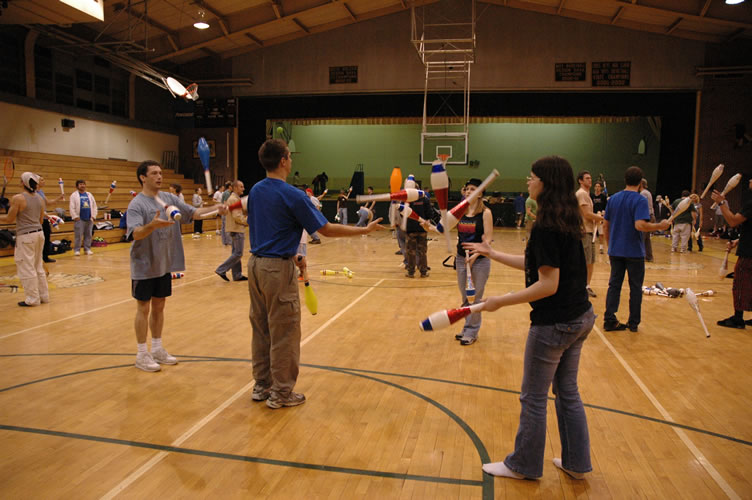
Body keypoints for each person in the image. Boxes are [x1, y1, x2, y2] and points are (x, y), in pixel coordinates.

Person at [463, 156, 595, 481]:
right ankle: (577, 463)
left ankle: (523, 464)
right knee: (568, 391)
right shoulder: (566, 218)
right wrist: (493, 253)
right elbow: (536, 263)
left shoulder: (547, 225)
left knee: (533, 397)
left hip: (555, 324)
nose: (528, 181)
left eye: (532, 177)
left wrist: (499, 301)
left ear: (545, 183)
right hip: (580, 317)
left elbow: (548, 284)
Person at [248, 139, 383, 409]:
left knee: (261, 329)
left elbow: (267, 227)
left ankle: (262, 385)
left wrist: (290, 253)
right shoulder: (293, 195)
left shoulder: (255, 190)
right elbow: (326, 230)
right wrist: (364, 230)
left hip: (255, 266)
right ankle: (281, 393)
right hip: (276, 270)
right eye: (289, 156)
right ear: (283, 161)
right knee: (285, 331)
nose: (291, 160)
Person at [127, 160, 226, 372]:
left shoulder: (169, 198)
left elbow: (194, 213)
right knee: (143, 308)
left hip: (164, 264)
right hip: (144, 265)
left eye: (160, 173)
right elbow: (135, 233)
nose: (159, 176)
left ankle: (157, 348)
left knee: (159, 306)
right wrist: (151, 226)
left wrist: (216, 209)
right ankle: (141, 354)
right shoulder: (137, 204)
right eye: (154, 173)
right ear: (143, 177)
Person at [603, 166, 671, 332]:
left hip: (616, 251)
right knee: (635, 288)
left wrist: (610, 245)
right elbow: (640, 225)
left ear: (625, 179)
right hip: (634, 251)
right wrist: (659, 226)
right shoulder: (640, 200)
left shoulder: (613, 199)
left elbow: (605, 225)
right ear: (641, 182)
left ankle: (609, 319)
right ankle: (633, 323)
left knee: (614, 285)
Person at [0, 172, 49, 307]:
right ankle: (44, 296)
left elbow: (9, 219)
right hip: (39, 234)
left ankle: (32, 299)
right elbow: (40, 220)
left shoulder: (18, 198)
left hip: (26, 236)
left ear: (23, 182)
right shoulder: (40, 198)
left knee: (27, 267)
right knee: (38, 266)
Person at [454, 178, 493, 345]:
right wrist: (430, 227)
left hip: (479, 260)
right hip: (461, 259)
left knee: (476, 298)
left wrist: (475, 255)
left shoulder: (486, 213)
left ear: (480, 193)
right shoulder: (460, 211)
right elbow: (446, 227)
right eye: (467, 188)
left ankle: (472, 331)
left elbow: (488, 240)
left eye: (472, 189)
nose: (468, 191)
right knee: (465, 297)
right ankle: (467, 327)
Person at [711, 178, 752, 329]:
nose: (750, 180)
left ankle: (738, 318)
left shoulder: (751, 204)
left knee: (741, 283)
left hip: (749, 254)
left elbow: (733, 221)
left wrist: (721, 203)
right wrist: (738, 241)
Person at [576, 171, 603, 297]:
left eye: (590, 178)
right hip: (584, 231)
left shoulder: (587, 194)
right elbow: (586, 214)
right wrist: (602, 217)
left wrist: (598, 218)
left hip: (590, 231)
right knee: (585, 261)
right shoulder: (581, 194)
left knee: (590, 261)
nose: (590, 180)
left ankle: (586, 286)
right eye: (587, 178)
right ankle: (580, 287)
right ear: (580, 181)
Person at [215, 180, 248, 282]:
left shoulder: (235, 198)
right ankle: (221, 269)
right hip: (236, 228)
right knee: (238, 253)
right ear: (235, 188)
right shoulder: (234, 199)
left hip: (235, 228)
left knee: (235, 252)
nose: (243, 189)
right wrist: (248, 221)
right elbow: (237, 216)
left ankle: (237, 275)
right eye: (241, 187)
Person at [405, 182, 431, 278]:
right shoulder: (425, 199)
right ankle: (423, 272)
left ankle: (411, 272)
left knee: (411, 251)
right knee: (422, 251)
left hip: (410, 229)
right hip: (422, 228)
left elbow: (402, 213)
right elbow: (430, 213)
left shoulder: (407, 200)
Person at [36, 176, 64, 263]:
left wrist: (59, 198)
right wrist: (47, 215)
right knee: (38, 240)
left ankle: (45, 257)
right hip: (37, 219)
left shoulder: (41, 191)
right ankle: (37, 258)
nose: (44, 181)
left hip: (44, 218)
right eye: (42, 180)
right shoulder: (33, 193)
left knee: (46, 237)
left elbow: (47, 203)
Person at [69, 179, 97, 256]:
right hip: (79, 219)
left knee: (88, 235)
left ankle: (87, 249)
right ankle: (77, 250)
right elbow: (72, 207)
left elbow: (94, 206)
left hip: (89, 218)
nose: (82, 185)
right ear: (77, 186)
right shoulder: (74, 195)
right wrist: (75, 216)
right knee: (78, 235)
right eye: (81, 184)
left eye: (83, 184)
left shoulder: (89, 195)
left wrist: (94, 216)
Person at [639, 178, 655, 261]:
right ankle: (649, 257)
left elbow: (642, 205)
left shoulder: (643, 193)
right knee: (647, 238)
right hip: (650, 216)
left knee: (641, 237)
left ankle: (640, 256)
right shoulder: (647, 192)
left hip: (646, 217)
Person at [591, 181, 608, 253]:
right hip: (592, 216)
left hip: (600, 216)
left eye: (599, 186)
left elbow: (606, 207)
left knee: (601, 233)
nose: (597, 188)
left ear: (601, 188)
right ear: (594, 187)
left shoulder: (603, 197)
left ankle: (601, 248)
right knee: (592, 232)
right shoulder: (591, 196)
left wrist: (603, 212)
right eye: (596, 186)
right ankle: (591, 247)